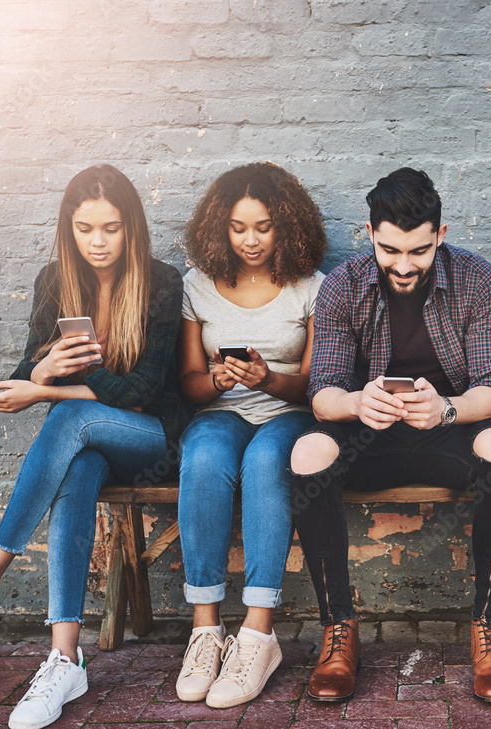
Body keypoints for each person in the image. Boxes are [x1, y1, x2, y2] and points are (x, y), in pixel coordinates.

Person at [0, 165, 189, 729]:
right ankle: (64, 659)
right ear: (68, 228)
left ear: (132, 229)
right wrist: (41, 369)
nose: (98, 242)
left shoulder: (161, 280)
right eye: (85, 229)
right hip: (89, 443)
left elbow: (144, 390)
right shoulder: (56, 279)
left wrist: (44, 388)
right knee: (76, 468)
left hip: (156, 437)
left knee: (73, 417)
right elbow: (26, 371)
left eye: (111, 228)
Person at [289, 167, 491, 703]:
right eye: (389, 249)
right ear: (370, 234)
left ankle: (489, 631)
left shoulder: (477, 278)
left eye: (417, 252)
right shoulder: (343, 286)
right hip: (369, 431)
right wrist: (356, 401)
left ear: (440, 236)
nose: (402, 265)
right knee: (308, 449)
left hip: (449, 426)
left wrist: (447, 409)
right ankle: (338, 630)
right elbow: (322, 391)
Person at [174, 162, 326, 708]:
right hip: (222, 412)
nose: (251, 240)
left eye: (263, 226)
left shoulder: (310, 287)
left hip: (285, 413)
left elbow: (314, 384)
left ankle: (258, 633)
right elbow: (190, 386)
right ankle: (206, 630)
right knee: (204, 455)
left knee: (266, 463)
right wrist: (217, 378)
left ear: (286, 226)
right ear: (221, 228)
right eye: (239, 228)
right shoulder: (197, 285)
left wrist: (269, 378)